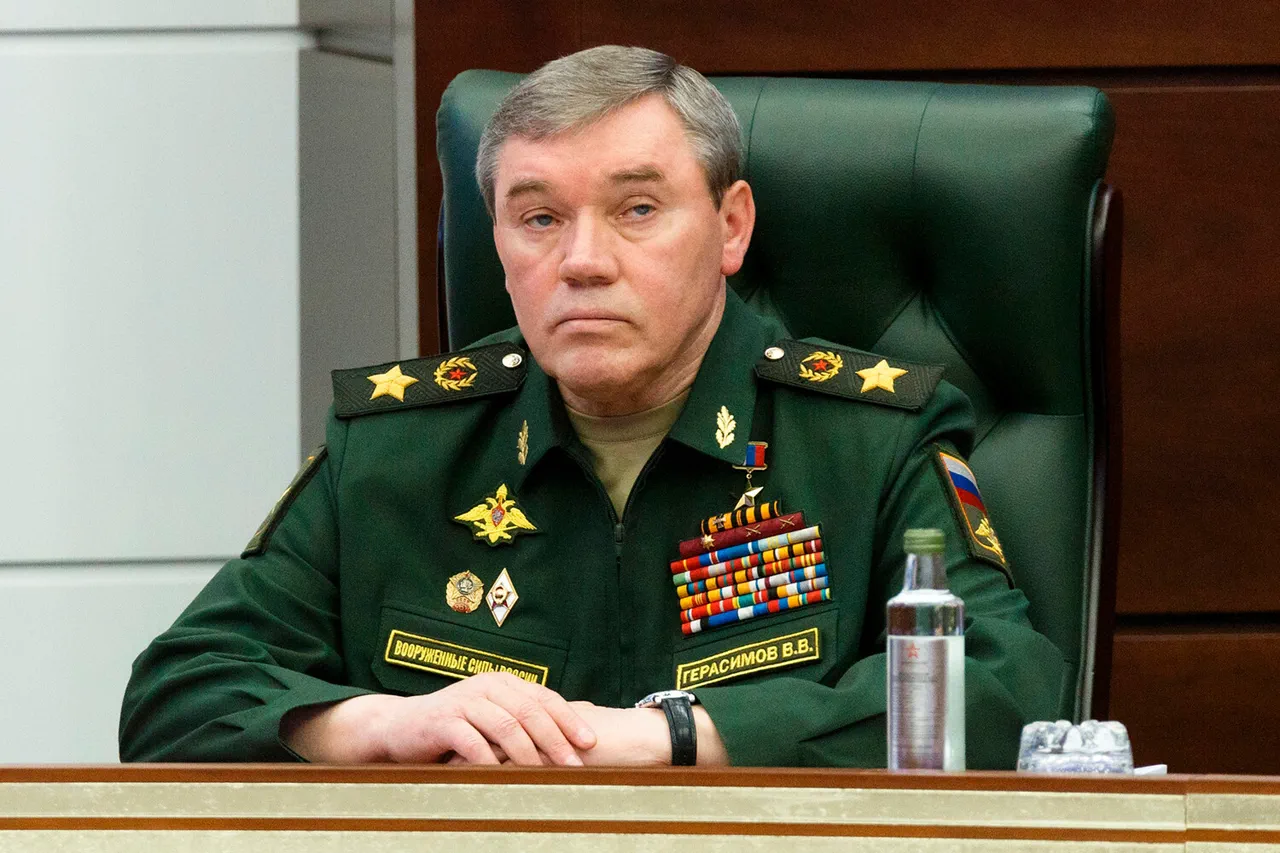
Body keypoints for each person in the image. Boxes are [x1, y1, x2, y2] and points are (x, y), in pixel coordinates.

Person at [119, 45, 1064, 768]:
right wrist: (377, 724)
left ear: (731, 226)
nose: (582, 261)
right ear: (497, 243)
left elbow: (1002, 689)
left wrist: (676, 738)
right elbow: (176, 696)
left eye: (637, 210)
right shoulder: (397, 449)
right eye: (539, 218)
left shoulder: (869, 439)